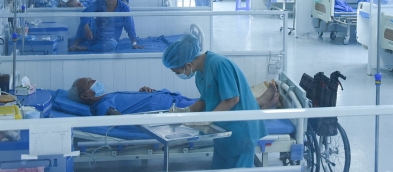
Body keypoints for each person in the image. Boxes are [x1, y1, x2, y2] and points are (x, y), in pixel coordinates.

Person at [162, 34, 267, 169]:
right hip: (223, 132)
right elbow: (205, 100)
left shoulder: (219, 64)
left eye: (177, 72)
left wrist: (207, 118)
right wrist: (185, 111)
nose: (179, 75)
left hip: (241, 130)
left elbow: (232, 99)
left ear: (188, 65)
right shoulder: (200, 73)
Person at [66, 77, 280, 116]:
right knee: (213, 105)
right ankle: (260, 104)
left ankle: (258, 102)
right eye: (90, 82)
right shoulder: (100, 105)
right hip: (168, 109)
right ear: (86, 95)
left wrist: (142, 92)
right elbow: (112, 117)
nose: (94, 80)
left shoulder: (107, 96)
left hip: (168, 98)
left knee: (209, 101)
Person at [69, 0, 144, 52]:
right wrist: (87, 28)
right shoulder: (99, 3)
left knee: (113, 44)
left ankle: (85, 48)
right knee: (86, 19)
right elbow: (85, 13)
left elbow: (130, 27)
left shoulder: (125, 8)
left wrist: (134, 43)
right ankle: (75, 44)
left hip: (109, 41)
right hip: (94, 36)